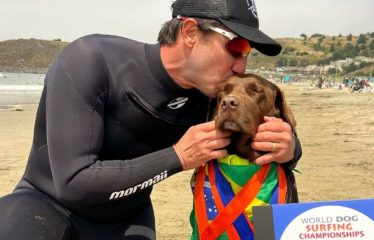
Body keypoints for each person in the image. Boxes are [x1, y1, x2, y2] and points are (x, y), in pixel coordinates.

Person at [0, 0, 302, 239]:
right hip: (44, 205)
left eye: (248, 51)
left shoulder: (213, 95)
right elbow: (73, 183)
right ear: (190, 33)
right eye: (237, 47)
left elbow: (251, 141)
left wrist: (289, 150)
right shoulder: (90, 61)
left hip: (127, 220)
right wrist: (178, 156)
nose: (241, 65)